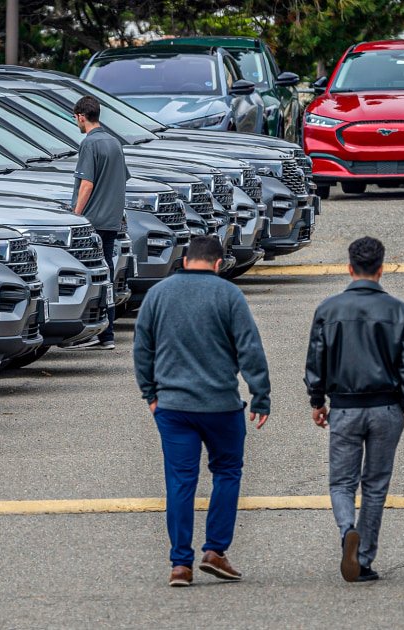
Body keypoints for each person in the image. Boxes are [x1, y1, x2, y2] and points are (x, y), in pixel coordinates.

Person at [133, 235, 271, 587]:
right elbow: (249, 348)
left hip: (173, 407)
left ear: (184, 260)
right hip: (221, 405)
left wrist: (151, 394)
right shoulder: (228, 295)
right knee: (227, 471)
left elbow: (142, 350)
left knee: (180, 481)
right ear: (218, 263)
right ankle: (215, 550)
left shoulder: (159, 294)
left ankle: (180, 564)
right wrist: (260, 395)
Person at [305, 236, 404, 583]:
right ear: (381, 268)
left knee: (342, 482)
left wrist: (318, 400)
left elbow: (316, 360)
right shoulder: (399, 311)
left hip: (345, 406)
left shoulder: (329, 309)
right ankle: (366, 557)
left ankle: (347, 531)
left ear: (349, 268)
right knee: (375, 484)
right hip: (386, 405)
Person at [63, 95, 129, 351]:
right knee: (107, 274)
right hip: (111, 219)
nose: (76, 122)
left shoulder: (89, 144)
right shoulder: (114, 142)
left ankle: (92, 330)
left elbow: (86, 184)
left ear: (81, 116)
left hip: (92, 221)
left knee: (89, 276)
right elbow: (122, 178)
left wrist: (76, 216)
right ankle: (107, 334)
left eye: (75, 118)